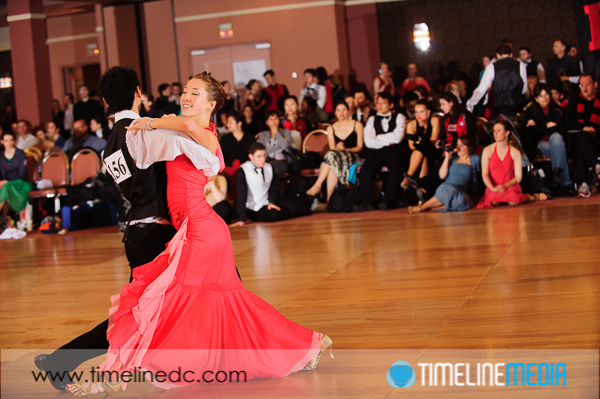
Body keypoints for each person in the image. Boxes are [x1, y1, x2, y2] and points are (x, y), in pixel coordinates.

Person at [477, 121, 549, 208]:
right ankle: (503, 198)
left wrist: (505, 186)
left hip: (509, 185)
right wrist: (493, 188)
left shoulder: (515, 152)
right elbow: (485, 175)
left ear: (507, 132)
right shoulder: (488, 150)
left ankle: (532, 197)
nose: (495, 133)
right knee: (494, 201)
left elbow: (518, 177)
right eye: (494, 131)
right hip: (493, 186)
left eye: (498, 131)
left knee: (514, 201)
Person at [354, 92, 406, 211]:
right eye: (378, 103)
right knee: (366, 170)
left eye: (383, 103)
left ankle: (389, 201)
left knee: (395, 168)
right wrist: (388, 139)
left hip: (395, 151)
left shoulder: (399, 117)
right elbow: (369, 142)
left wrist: (378, 137)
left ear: (391, 105)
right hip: (377, 151)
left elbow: (398, 138)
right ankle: (369, 202)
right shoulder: (372, 119)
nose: (380, 106)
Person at [306, 102, 364, 203]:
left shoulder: (357, 125)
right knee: (332, 162)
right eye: (338, 110)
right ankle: (329, 201)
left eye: (344, 109)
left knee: (331, 158)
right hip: (336, 157)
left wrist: (345, 149)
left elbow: (359, 147)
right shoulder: (331, 128)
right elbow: (333, 148)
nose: (341, 112)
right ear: (335, 113)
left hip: (354, 156)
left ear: (349, 111)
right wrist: (338, 149)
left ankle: (317, 185)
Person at [408, 135, 480, 213]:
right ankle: (422, 208)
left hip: (461, 190)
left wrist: (473, 195)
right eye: (457, 145)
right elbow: (442, 175)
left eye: (461, 146)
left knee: (460, 202)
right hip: (446, 187)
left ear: (469, 147)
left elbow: (475, 179)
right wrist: (447, 156)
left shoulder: (474, 159)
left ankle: (425, 207)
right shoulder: (453, 159)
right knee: (450, 190)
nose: (458, 148)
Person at [524, 83, 573, 194]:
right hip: (539, 144)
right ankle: (566, 184)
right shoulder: (530, 111)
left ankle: (556, 173)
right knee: (560, 146)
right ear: (536, 99)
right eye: (541, 96)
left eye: (546, 95)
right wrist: (546, 125)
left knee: (557, 139)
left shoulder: (557, 109)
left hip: (555, 142)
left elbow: (560, 129)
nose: (544, 98)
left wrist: (538, 126)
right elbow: (530, 133)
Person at [467, 44, 527, 117]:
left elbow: (482, 89)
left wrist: (471, 102)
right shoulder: (521, 65)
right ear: (511, 54)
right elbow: (524, 88)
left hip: (500, 103)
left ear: (497, 55)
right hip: (517, 102)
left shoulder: (492, 67)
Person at [568, 72, 600, 198]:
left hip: (597, 138)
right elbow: (570, 124)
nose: (585, 88)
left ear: (595, 85)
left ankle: (584, 184)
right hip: (580, 139)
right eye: (582, 85)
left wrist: (593, 130)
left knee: (582, 140)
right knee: (582, 138)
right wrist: (584, 128)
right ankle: (596, 164)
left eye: (588, 85)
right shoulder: (574, 102)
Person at [402, 100, 441, 187]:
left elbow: (433, 139)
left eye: (422, 112)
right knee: (423, 157)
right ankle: (422, 186)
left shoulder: (434, 120)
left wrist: (419, 142)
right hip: (416, 152)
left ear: (428, 112)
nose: (418, 115)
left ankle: (408, 177)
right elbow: (411, 146)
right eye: (416, 112)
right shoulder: (411, 125)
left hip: (433, 150)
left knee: (423, 147)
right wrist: (419, 143)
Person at [0, 131, 33, 224]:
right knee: (5, 190)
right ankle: (3, 221)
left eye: (11, 140)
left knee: (6, 188)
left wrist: (6, 181)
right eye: (6, 141)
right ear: (2, 142)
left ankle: (3, 221)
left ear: (14, 141)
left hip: (22, 183)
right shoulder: (1, 156)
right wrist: (3, 182)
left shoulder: (21, 154)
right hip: (8, 184)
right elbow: (3, 174)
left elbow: (21, 174)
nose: (9, 143)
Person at [220, 111, 255, 197]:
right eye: (228, 122)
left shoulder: (250, 138)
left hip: (246, 167)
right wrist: (232, 164)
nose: (228, 124)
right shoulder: (225, 138)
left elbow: (253, 156)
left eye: (231, 122)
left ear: (239, 123)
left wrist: (241, 165)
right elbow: (220, 156)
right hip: (228, 167)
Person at [257, 111, 295, 178]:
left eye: (275, 118)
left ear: (279, 120)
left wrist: (276, 133)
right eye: (271, 119)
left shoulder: (286, 132)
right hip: (266, 161)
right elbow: (262, 151)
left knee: (269, 168)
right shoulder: (263, 134)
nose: (273, 121)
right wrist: (279, 146)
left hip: (282, 161)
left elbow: (285, 146)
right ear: (266, 122)